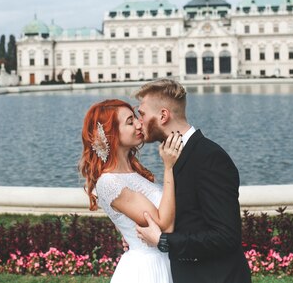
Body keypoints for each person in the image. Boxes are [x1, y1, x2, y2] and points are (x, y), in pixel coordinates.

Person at [135, 79, 252, 283]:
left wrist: (164, 241)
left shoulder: (210, 157)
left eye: (142, 114)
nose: (138, 122)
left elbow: (226, 236)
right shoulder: (172, 156)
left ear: (163, 115)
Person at [79, 99, 183, 283]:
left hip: (162, 261)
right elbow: (164, 226)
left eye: (136, 117)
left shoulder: (132, 174)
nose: (139, 123)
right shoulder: (109, 182)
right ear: (111, 134)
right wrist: (169, 168)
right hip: (147, 269)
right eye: (130, 121)